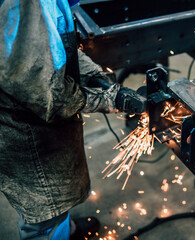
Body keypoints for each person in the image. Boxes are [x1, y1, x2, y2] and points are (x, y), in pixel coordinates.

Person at [0, 0, 146, 239]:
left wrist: (98, 78)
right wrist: (110, 100)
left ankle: (65, 230)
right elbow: (47, 95)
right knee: (44, 211)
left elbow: (56, 49)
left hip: (36, 121)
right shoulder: (23, 5)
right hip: (24, 132)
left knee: (56, 202)